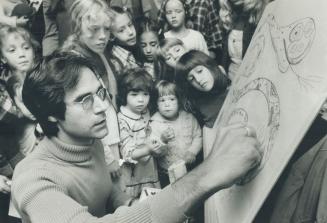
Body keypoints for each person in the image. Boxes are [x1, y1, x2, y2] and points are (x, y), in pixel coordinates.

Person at [11, 51, 261, 223]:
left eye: (99, 93)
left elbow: (106, 193)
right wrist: (209, 173)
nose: (101, 106)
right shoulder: (33, 178)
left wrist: (129, 204)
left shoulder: (89, 139)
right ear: (51, 115)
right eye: (85, 100)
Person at [61, 0, 121, 179]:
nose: (103, 36)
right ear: (77, 27)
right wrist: (109, 158)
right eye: (94, 29)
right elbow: (81, 117)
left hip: (111, 141)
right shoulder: (72, 65)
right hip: (95, 153)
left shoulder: (98, 54)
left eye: (107, 29)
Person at [117, 68, 166, 198]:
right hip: (133, 176)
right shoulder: (121, 120)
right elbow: (128, 153)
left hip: (150, 172)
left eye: (145, 94)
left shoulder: (146, 112)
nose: (141, 100)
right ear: (124, 95)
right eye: (134, 94)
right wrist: (148, 149)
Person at [149, 80, 202, 187]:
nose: (167, 104)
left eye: (172, 99)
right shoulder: (154, 123)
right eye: (162, 100)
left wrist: (192, 152)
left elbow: (198, 136)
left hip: (192, 166)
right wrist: (162, 140)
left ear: (179, 101)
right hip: (167, 172)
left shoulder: (188, 117)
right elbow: (154, 151)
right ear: (157, 104)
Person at [176, 50, 230, 128]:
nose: (198, 80)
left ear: (210, 66)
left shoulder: (232, 87)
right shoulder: (198, 105)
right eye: (191, 79)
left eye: (200, 71)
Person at [219, 0, 270, 81]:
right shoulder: (229, 19)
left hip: (254, 77)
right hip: (231, 77)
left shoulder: (262, 15)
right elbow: (225, 55)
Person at [157, 0, 223, 59]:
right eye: (169, 12)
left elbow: (217, 36)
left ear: (185, 12)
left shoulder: (205, 2)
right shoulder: (167, 3)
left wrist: (206, 57)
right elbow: (157, 29)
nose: (173, 15)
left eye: (178, 11)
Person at [109, 6, 141, 75]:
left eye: (130, 25)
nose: (130, 32)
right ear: (111, 36)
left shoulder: (136, 49)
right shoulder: (115, 63)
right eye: (121, 30)